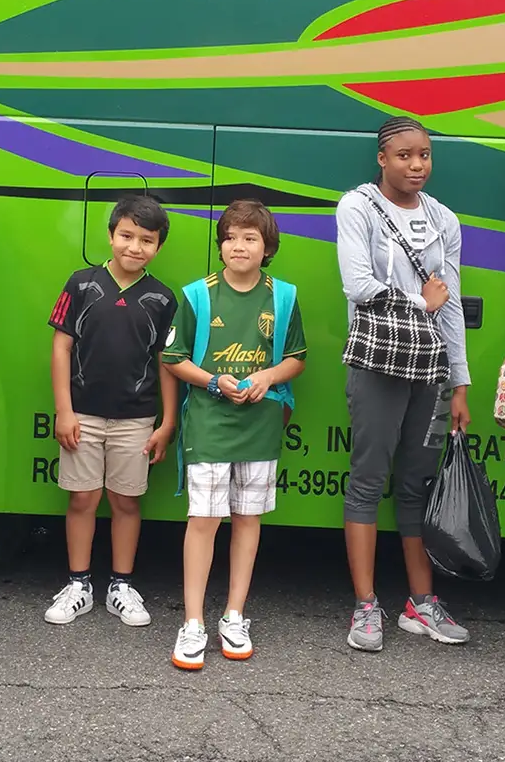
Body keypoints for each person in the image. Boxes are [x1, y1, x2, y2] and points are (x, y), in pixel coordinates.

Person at [335, 115, 473, 652]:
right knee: (368, 480)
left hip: (430, 368)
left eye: (425, 155)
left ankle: (420, 603)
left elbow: (451, 305)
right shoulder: (358, 206)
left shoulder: (443, 218)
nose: (417, 166)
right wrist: (421, 300)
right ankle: (366, 605)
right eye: (404, 155)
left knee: (417, 483)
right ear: (382, 158)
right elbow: (357, 284)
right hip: (377, 363)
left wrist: (459, 382)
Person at [161, 200, 307, 670]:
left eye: (250, 238)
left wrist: (267, 377)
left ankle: (234, 616)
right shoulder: (197, 295)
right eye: (230, 237)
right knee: (204, 519)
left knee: (247, 518)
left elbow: (296, 357)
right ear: (220, 244)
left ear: (268, 248)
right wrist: (211, 381)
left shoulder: (284, 297)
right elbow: (173, 358)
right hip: (209, 422)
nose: (238, 246)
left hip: (260, 425)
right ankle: (193, 623)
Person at [43, 194, 179, 628]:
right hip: (82, 415)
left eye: (146, 240)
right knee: (82, 498)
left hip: (136, 419)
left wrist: (167, 422)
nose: (134, 247)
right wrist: (64, 411)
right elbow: (61, 348)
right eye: (126, 236)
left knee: (126, 500)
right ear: (110, 235)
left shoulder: (162, 298)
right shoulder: (81, 284)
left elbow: (167, 363)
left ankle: (121, 586)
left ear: (158, 246)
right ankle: (78, 585)